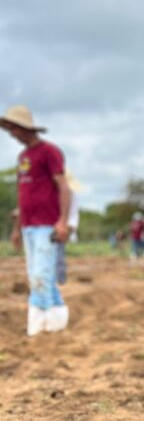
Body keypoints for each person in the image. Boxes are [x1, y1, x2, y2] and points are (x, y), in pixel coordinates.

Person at [0, 105, 72, 336]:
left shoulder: (49, 152)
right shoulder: (23, 157)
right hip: (29, 225)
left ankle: (38, 324)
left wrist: (62, 221)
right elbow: (23, 195)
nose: (12, 134)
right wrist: (16, 229)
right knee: (38, 274)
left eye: (14, 129)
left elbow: (64, 187)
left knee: (41, 274)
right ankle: (56, 316)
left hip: (47, 224)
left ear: (24, 128)